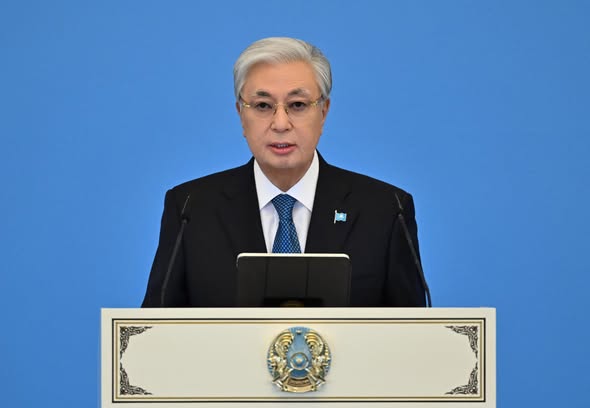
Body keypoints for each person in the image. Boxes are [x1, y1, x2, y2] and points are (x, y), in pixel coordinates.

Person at [142, 37, 427, 307]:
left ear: (324, 112)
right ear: (241, 114)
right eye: (263, 106)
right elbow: (154, 330)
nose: (280, 124)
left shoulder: (386, 210)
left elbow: (414, 333)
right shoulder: (191, 208)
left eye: (297, 105)